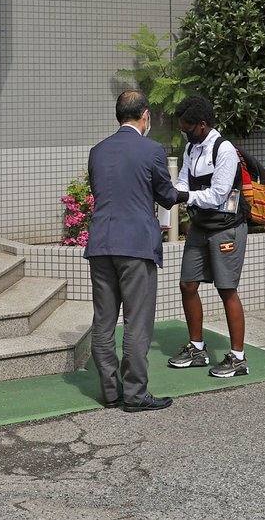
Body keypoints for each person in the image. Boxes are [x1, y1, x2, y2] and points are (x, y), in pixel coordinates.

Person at [85, 90, 187, 412]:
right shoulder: (152, 150)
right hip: (136, 247)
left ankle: (111, 392)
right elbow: (166, 195)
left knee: (103, 323)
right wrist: (188, 194)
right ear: (145, 115)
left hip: (101, 244)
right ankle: (135, 394)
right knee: (137, 322)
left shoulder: (97, 152)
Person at [168, 95, 250, 378]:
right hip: (201, 227)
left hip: (227, 227)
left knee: (227, 290)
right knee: (187, 284)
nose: (184, 133)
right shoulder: (191, 148)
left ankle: (238, 357)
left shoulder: (223, 149)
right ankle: (197, 348)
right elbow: (182, 182)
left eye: (188, 128)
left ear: (202, 125)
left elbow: (219, 194)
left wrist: (184, 196)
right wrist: (174, 193)